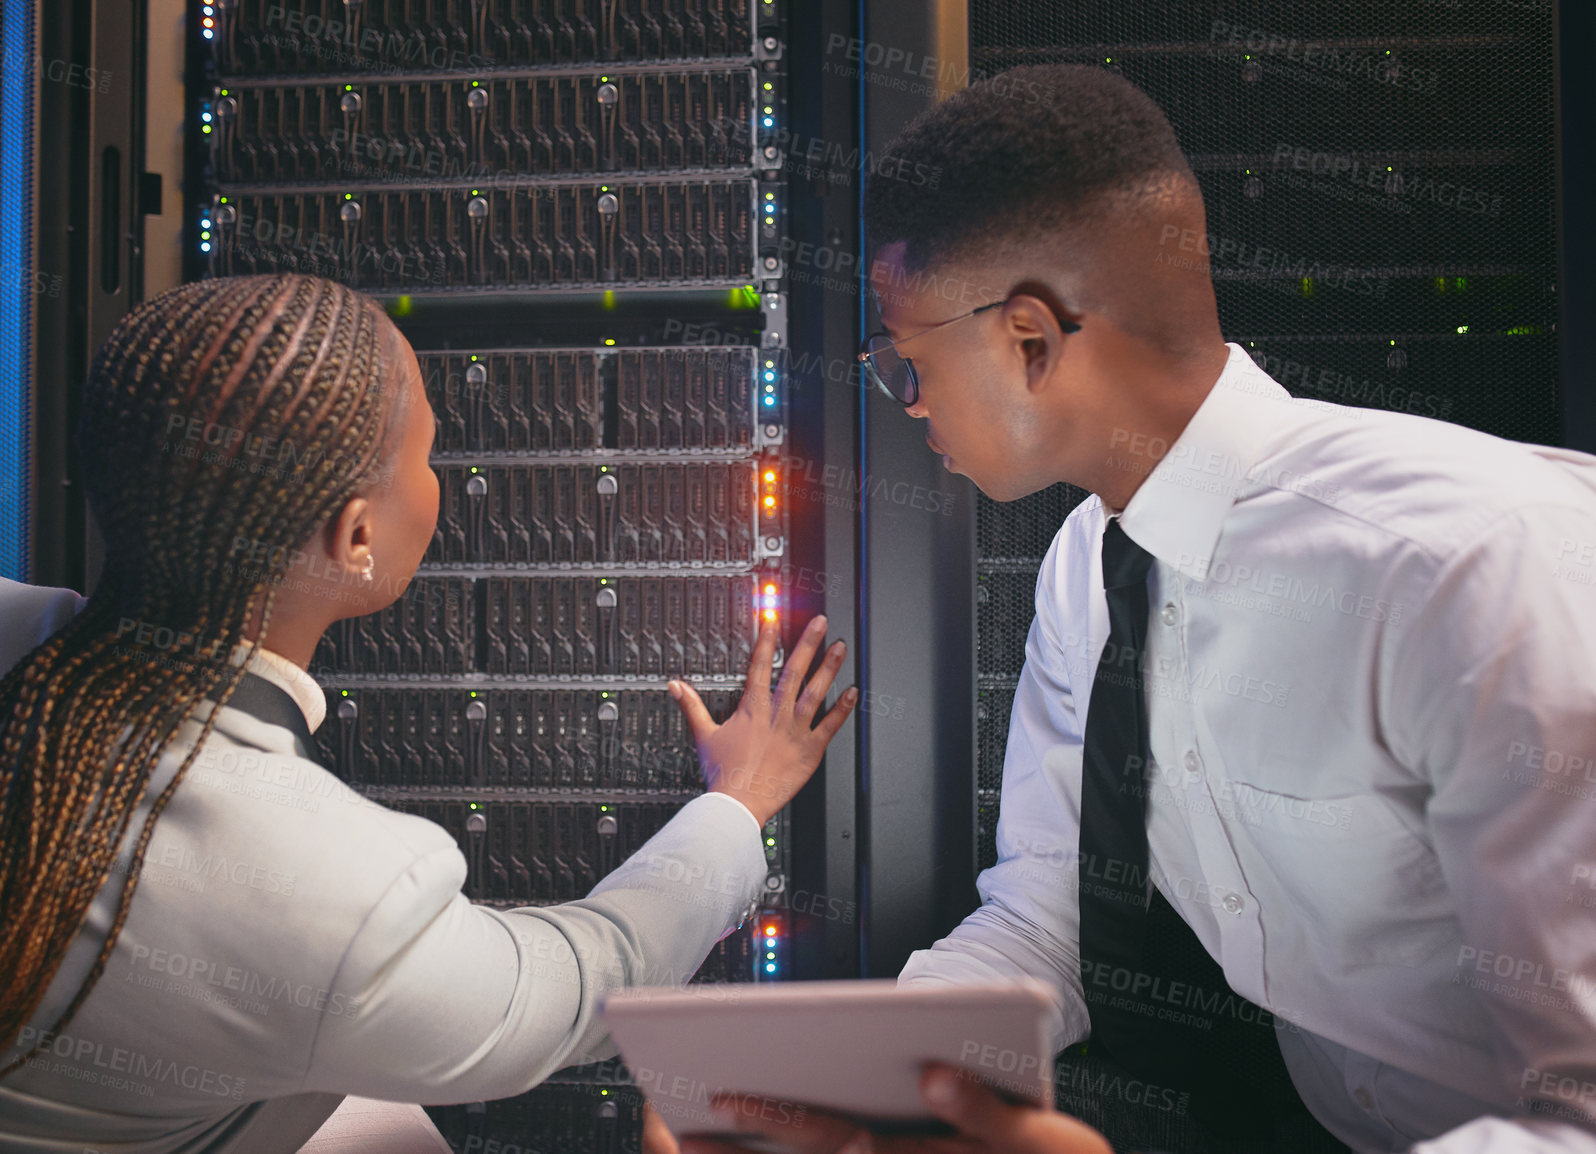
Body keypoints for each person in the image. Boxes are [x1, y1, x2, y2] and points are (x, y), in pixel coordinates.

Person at [678, 63, 1596, 1154]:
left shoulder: (1468, 567)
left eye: (904, 367)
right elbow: (1047, 910)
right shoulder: (1087, 567)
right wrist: (848, 1084)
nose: (904, 405)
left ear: (1029, 339)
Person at [0, 272, 859, 1152]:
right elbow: (582, 984)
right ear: (354, 537)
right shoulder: (335, 895)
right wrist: (744, 796)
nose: (440, 480)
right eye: (427, 453)